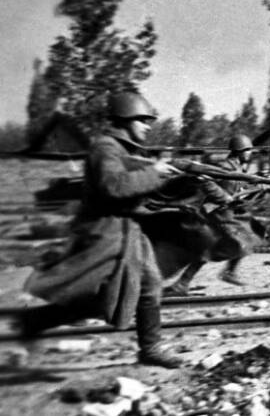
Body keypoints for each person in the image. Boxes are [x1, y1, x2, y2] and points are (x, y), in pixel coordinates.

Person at [18, 92, 183, 368]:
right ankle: (31, 321)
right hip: (104, 233)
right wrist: (155, 172)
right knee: (99, 298)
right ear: (126, 118)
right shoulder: (105, 148)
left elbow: (131, 191)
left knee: (150, 283)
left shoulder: (123, 151)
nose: (148, 126)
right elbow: (114, 187)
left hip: (127, 231)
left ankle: (151, 347)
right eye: (143, 120)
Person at [163, 134, 258, 295]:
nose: (250, 153)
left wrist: (251, 192)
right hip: (215, 212)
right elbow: (206, 182)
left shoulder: (239, 168)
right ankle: (227, 273)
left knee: (214, 246)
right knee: (239, 239)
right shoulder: (225, 166)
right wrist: (224, 196)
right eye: (247, 150)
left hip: (226, 212)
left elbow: (236, 190)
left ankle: (184, 283)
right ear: (239, 150)